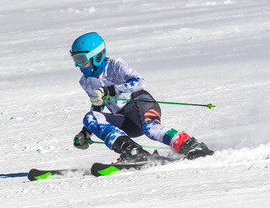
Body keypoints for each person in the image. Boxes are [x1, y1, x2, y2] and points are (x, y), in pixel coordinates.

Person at [70, 32, 213, 162]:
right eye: (75, 59)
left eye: (81, 59)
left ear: (97, 56)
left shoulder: (115, 66)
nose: (78, 65)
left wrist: (110, 90)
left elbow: (139, 81)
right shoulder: (85, 81)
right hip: (125, 120)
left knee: (150, 128)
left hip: (141, 104)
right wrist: (86, 132)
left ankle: (190, 145)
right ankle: (133, 151)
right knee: (90, 117)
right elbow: (97, 105)